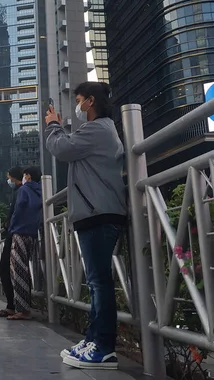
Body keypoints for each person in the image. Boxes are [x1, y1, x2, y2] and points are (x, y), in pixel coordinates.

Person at [45, 82, 127, 371]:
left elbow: (62, 148)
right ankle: (94, 340)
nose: (76, 106)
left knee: (98, 282)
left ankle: (103, 348)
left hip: (99, 213)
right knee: (96, 282)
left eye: (79, 100)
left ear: (90, 101)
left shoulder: (98, 128)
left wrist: (53, 125)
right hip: (96, 212)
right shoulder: (99, 130)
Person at [8, 166, 42, 321]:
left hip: (20, 231)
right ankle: (27, 305)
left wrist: (11, 226)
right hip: (34, 233)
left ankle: (22, 309)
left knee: (18, 269)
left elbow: (19, 209)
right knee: (27, 268)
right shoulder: (41, 190)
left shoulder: (24, 190)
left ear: (27, 176)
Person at [0, 166, 23, 318]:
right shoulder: (20, 191)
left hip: (16, 234)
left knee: (5, 268)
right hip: (16, 232)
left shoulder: (21, 192)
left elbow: (17, 212)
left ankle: (13, 305)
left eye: (9, 177)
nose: (8, 180)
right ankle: (14, 305)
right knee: (9, 269)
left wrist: (8, 224)